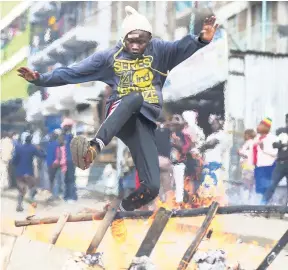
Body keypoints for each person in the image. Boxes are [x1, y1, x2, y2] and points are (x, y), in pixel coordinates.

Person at [17, 6, 218, 212]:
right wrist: (41, 79)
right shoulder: (109, 57)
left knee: (151, 186)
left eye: (141, 41)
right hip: (119, 114)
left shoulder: (160, 50)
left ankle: (120, 210)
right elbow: (73, 72)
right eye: (130, 41)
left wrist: (202, 40)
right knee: (134, 97)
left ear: (149, 39)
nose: (135, 46)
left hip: (143, 123)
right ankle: (93, 148)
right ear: (123, 39)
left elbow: (181, 47)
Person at [198, 115, 229, 206]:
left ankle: (217, 204)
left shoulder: (222, 134)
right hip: (207, 164)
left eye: (215, 123)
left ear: (220, 124)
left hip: (216, 165)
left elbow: (211, 144)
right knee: (207, 185)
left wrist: (199, 148)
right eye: (212, 124)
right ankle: (207, 203)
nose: (213, 126)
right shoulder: (210, 136)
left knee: (215, 184)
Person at [12, 135, 46, 212]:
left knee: (21, 190)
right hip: (28, 173)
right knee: (33, 187)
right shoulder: (33, 148)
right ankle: (31, 200)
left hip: (19, 173)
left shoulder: (19, 148)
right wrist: (41, 149)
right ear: (31, 140)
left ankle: (19, 205)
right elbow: (42, 155)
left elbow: (14, 160)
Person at [262, 114, 288, 204]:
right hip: (280, 164)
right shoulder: (281, 131)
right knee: (271, 185)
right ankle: (262, 205)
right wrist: (282, 145)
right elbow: (274, 144)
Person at [252, 118, 278, 198]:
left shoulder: (273, 138)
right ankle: (260, 207)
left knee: (266, 190)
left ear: (266, 127)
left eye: (260, 125)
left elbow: (276, 153)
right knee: (259, 190)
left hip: (268, 167)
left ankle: (266, 207)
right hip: (258, 167)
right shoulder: (257, 138)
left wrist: (264, 148)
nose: (258, 127)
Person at [238, 129, 256, 202]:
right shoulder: (254, 143)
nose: (243, 136)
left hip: (247, 167)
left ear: (248, 135)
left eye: (245, 134)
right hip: (252, 167)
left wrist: (239, 152)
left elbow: (246, 154)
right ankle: (251, 200)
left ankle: (246, 201)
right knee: (251, 185)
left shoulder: (248, 143)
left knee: (246, 185)